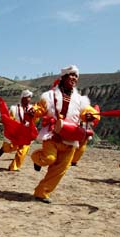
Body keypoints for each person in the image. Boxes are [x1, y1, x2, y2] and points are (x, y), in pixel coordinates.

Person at [30, 65, 97, 204]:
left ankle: (41, 192)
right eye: (71, 75)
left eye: (76, 76)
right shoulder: (49, 96)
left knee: (60, 169)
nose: (74, 78)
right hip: (52, 135)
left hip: (71, 138)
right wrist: (33, 111)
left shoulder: (81, 99)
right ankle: (37, 157)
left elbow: (87, 113)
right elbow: (40, 109)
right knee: (49, 159)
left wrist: (90, 116)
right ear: (64, 77)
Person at [0, 90, 36, 171]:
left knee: (23, 150)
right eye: (28, 97)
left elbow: (35, 120)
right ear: (23, 98)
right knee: (10, 147)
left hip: (26, 133)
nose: (30, 99)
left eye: (30, 97)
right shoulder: (14, 108)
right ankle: (4, 149)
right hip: (16, 132)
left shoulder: (32, 109)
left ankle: (13, 167)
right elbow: (10, 119)